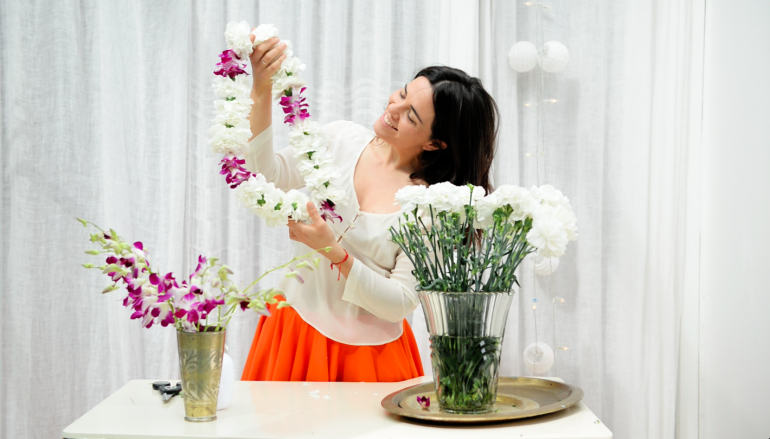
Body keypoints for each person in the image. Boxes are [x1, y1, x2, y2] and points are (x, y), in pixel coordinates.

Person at [240, 35, 499, 382]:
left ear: (435, 143)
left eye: (411, 115)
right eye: (403, 94)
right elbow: (264, 174)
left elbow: (401, 301)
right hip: (291, 327)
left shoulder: (432, 207)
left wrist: (331, 249)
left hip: (367, 356)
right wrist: (262, 88)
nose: (393, 108)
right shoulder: (340, 139)